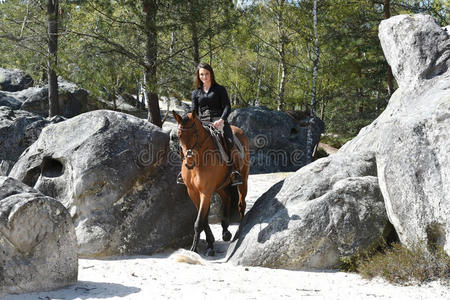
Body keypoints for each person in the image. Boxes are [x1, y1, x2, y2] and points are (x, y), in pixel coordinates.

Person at [177, 62, 243, 186]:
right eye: (202, 74)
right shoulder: (196, 93)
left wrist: (221, 120)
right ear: (199, 76)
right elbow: (194, 111)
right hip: (202, 123)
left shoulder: (219, 89)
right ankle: (183, 172)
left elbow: (227, 107)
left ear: (211, 74)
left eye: (207, 74)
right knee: (184, 142)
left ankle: (234, 171)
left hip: (219, 121)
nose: (204, 77)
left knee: (229, 141)